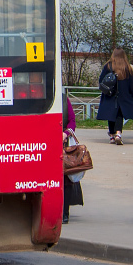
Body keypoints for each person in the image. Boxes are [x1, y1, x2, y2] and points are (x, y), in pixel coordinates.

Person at [96, 47, 133, 145]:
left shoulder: (108, 66)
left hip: (110, 94)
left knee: (111, 115)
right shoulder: (127, 68)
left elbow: (101, 80)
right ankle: (118, 134)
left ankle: (112, 136)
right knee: (119, 115)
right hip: (123, 95)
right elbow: (132, 83)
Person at [62, 93, 83, 224]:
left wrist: (65, 133)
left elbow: (72, 121)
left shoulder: (64, 99)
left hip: (63, 146)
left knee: (66, 178)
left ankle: (65, 212)